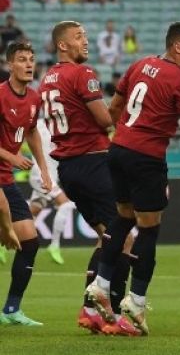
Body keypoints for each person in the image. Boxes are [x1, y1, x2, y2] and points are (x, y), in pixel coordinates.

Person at [85, 22, 180, 336]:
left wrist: (122, 134)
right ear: (177, 46)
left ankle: (100, 284)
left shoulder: (139, 64)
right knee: (149, 228)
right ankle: (137, 302)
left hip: (118, 150)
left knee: (123, 217)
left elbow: (115, 106)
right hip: (147, 157)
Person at [39, 21, 138, 336]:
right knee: (125, 237)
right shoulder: (82, 74)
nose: (86, 41)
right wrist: (125, 105)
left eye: (85, 36)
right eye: (78, 37)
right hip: (93, 162)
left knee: (106, 237)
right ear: (63, 45)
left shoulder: (47, 79)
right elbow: (104, 120)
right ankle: (114, 313)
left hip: (68, 169)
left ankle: (90, 311)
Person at [0, 41, 53, 326]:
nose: (29, 64)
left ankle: (11, 310)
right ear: (10, 65)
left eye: (31, 59)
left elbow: (32, 132)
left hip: (5, 179)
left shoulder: (34, 98)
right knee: (7, 227)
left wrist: (44, 170)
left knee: (29, 242)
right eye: (22, 59)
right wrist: (12, 155)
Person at [28, 117, 76, 265]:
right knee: (66, 204)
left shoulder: (63, 128)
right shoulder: (39, 125)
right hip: (41, 175)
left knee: (30, 214)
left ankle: (2, 243)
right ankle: (54, 245)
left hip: (51, 176)